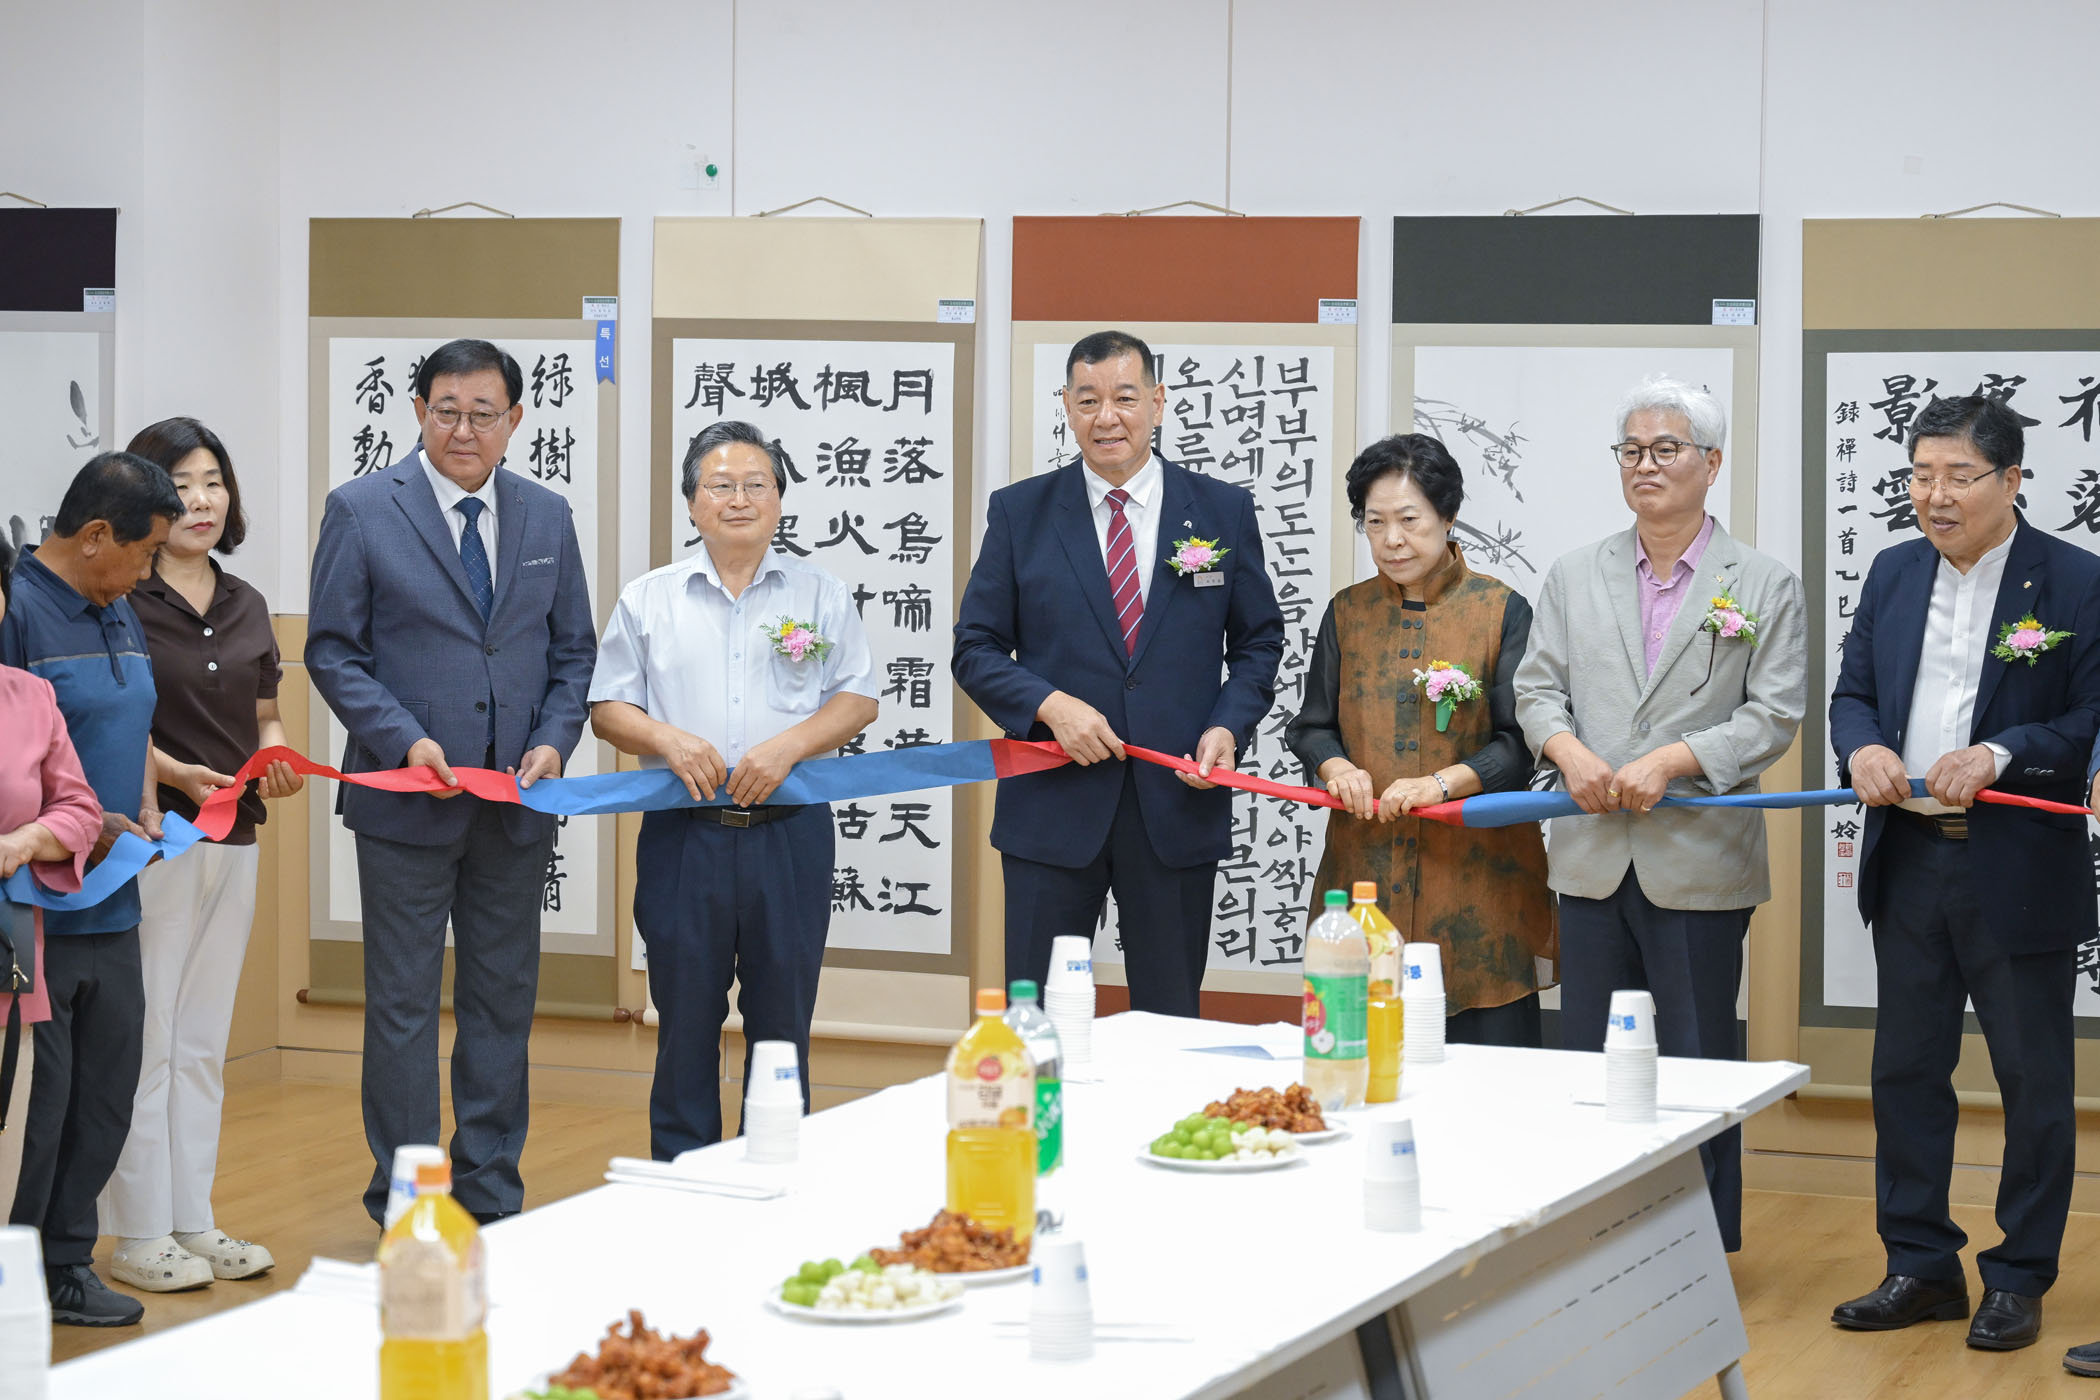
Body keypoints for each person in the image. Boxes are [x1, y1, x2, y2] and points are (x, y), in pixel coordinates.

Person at [1826, 395, 2100, 1357]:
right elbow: (1853, 693)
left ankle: (2019, 1275)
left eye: (1957, 477)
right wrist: (1862, 748)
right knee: (1905, 1071)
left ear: (2011, 480)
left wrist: (1999, 753)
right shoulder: (1895, 572)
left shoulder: (2074, 580)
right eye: (1919, 475)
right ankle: (1920, 1264)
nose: (1934, 496)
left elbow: (2086, 720)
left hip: (2016, 864)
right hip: (1910, 859)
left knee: (2032, 1079)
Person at [307, 338, 596, 1225]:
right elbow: (333, 652)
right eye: (446, 411)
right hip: (406, 804)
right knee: (401, 1006)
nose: (462, 430)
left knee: (501, 1001)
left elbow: (573, 653)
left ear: (515, 419)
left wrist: (554, 743)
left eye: (483, 414)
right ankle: (408, 1198)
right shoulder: (362, 508)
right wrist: (404, 742)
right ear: (418, 412)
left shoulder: (547, 514)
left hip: (515, 805)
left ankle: (489, 1190)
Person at [1514, 375, 1805, 1253]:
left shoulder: (1762, 582)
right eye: (1632, 451)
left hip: (1699, 857)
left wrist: (1673, 760)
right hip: (1591, 854)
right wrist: (1569, 754)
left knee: (1698, 1059)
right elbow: (1537, 690)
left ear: (1711, 464)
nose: (1646, 465)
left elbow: (1773, 714)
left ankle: (1698, 1248)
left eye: (1666, 449)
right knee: (1591, 1060)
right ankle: (1592, 1238)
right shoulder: (1575, 573)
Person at [952, 330, 1284, 1014]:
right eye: (1088, 400)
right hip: (1051, 806)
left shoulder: (1221, 510)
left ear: (1157, 402)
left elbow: (1258, 642)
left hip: (1176, 802)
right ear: (1066, 407)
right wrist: (1050, 706)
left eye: (1125, 398)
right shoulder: (1021, 512)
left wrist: (1227, 728)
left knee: (1170, 1017)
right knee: (1038, 1015)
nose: (1107, 417)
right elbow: (975, 647)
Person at [590, 422, 876, 1158]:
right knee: (684, 1022)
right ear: (692, 503)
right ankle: (684, 1177)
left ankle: (775, 1174)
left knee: (783, 1026)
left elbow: (857, 698)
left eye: (757, 484)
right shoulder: (649, 598)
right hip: (685, 838)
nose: (739, 499)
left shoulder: (820, 593)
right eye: (720, 485)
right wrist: (666, 739)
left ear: (780, 499)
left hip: (791, 836)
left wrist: (790, 746)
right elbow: (608, 707)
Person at [98, 419, 303, 1292]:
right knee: (149, 1036)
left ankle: (193, 1219)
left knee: (201, 1039)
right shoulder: (120, 597)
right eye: (180, 483)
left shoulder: (247, 600)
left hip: (235, 836)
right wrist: (175, 772)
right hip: (151, 844)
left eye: (213, 480)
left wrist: (280, 752)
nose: (201, 499)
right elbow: (105, 720)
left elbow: (265, 713)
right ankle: (139, 1233)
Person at [1286, 435, 1553, 1044]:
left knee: (1489, 1070)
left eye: (1409, 520)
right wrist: (1335, 768)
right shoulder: (1347, 612)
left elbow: (1522, 741)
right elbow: (1312, 726)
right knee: (1362, 1055)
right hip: (1366, 875)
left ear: (1447, 516)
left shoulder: (1500, 610)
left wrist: (1443, 783)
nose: (1392, 540)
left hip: (1478, 887)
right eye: (1375, 522)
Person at [2, 452, 183, 1326]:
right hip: (32, 914)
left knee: (106, 1094)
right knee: (38, 1109)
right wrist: (76, 823)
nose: (148, 573)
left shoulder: (119, 605)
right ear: (98, 535)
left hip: (113, 898)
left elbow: (128, 721)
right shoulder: (17, 611)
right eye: (145, 553)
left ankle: (67, 1262)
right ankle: (23, 1265)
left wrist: (148, 795)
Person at [0, 537, 105, 1223]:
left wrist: (23, 842)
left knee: (7, 1154)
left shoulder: (29, 696)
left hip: (6, 960)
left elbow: (80, 810)